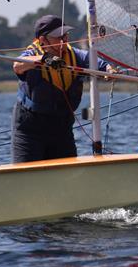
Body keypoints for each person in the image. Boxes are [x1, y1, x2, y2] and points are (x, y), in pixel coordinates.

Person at [12, 14, 116, 163]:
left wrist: (108, 69)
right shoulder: (32, 53)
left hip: (61, 127)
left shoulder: (74, 54)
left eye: (65, 35)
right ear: (43, 40)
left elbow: (95, 62)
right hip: (30, 128)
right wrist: (44, 59)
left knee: (67, 176)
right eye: (58, 37)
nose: (64, 40)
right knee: (26, 176)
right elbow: (17, 65)